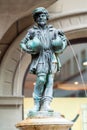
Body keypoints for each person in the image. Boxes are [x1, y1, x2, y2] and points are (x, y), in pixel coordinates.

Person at [20, 7, 68, 112]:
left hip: (51, 57)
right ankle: (36, 103)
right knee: (41, 79)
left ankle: (47, 103)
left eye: (43, 16)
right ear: (36, 19)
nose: (41, 18)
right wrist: (28, 49)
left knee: (50, 81)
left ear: (46, 17)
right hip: (40, 57)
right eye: (38, 16)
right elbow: (22, 43)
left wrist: (62, 46)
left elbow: (64, 41)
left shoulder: (54, 31)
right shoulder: (32, 32)